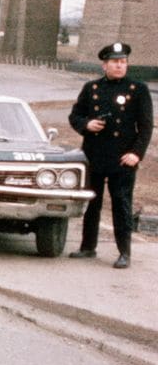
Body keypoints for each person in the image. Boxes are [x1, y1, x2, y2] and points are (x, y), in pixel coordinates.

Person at [68, 41, 152, 269]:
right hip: (94, 156)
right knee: (91, 203)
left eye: (123, 62)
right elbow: (75, 115)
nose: (120, 66)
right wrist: (87, 124)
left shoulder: (138, 89)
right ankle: (88, 247)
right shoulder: (92, 88)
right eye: (115, 62)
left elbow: (146, 127)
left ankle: (124, 252)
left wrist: (136, 154)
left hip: (123, 158)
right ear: (104, 65)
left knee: (121, 204)